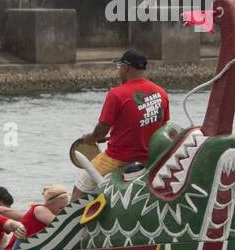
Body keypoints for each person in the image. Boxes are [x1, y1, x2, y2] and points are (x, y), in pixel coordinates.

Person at [73, 49, 170, 199]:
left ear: (126, 68)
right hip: (150, 158)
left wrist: (91, 139)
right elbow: (161, 128)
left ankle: (74, 221)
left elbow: (101, 130)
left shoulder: (117, 94)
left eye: (119, 67)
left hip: (118, 157)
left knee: (82, 183)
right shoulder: (161, 93)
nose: (119, 71)